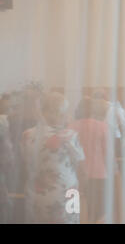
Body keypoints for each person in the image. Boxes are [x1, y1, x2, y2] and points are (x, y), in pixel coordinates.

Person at [22, 92, 85, 223]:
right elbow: (80, 166)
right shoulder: (69, 136)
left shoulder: (27, 135)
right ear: (60, 114)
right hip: (65, 193)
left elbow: (26, 161)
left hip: (36, 193)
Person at [68, 97, 109, 223]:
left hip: (76, 174)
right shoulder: (102, 126)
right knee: (97, 211)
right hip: (98, 172)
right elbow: (106, 152)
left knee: (75, 210)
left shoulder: (70, 126)